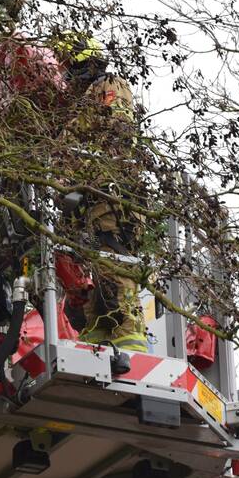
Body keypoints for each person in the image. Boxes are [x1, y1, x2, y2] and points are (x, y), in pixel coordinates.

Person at [52, 34, 148, 353]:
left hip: (112, 203)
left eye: (69, 66)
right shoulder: (80, 105)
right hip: (89, 212)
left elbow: (118, 133)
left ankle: (132, 343)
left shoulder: (110, 84)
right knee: (96, 273)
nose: (66, 77)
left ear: (84, 61)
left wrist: (81, 170)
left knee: (116, 267)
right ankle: (99, 336)